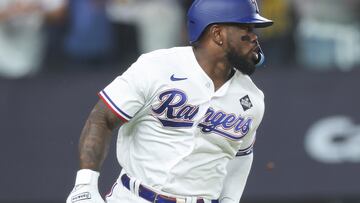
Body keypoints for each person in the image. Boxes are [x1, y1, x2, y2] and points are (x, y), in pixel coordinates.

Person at [66, 0, 273, 203]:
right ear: (217, 34)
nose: (255, 37)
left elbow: (241, 155)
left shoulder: (252, 99)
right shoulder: (157, 67)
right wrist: (85, 185)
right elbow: (102, 118)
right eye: (246, 29)